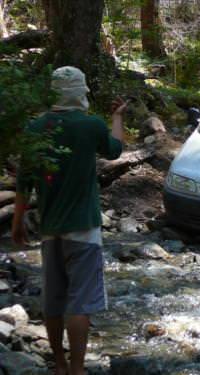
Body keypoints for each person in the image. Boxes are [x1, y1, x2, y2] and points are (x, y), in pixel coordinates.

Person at [11, 66, 127, 375]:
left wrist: (17, 219)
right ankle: (77, 370)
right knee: (82, 302)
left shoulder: (36, 128)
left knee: (54, 300)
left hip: (50, 229)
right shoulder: (90, 125)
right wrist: (117, 118)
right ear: (81, 93)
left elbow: (24, 178)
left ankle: (59, 365)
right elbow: (115, 150)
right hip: (84, 228)